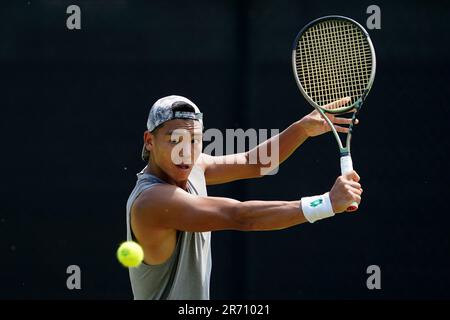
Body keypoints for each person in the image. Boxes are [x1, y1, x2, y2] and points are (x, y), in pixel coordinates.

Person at [126, 95, 362, 299]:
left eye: (194, 141)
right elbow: (240, 216)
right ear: (150, 141)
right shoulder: (152, 202)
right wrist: (327, 203)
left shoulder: (190, 164)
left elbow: (256, 162)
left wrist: (302, 129)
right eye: (175, 140)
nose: (186, 151)